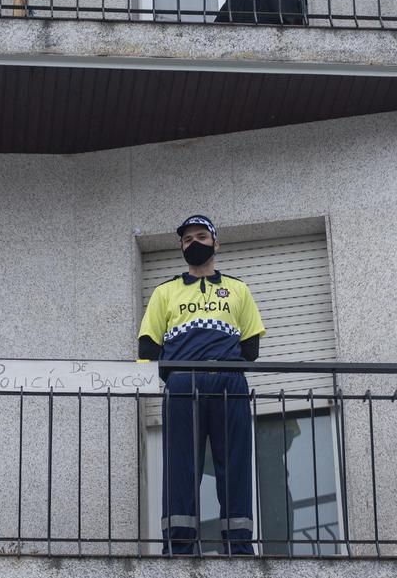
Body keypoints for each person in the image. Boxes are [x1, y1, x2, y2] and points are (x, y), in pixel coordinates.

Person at [137, 214, 266, 555]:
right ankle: (179, 548)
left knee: (235, 465)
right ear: (181, 247)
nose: (193, 243)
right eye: (187, 239)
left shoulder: (238, 289)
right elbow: (147, 347)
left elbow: (251, 348)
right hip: (183, 385)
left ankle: (238, 547)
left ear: (216, 243)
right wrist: (180, 371)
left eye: (201, 237)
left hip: (230, 385)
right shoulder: (165, 291)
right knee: (180, 467)